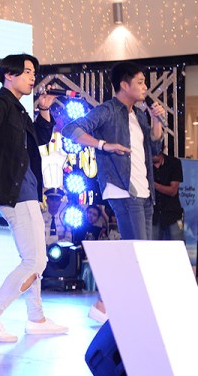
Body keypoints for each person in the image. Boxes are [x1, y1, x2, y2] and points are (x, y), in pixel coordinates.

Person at [0, 54, 69, 343]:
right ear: (8, 75)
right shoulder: (1, 104)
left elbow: (40, 140)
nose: (32, 77)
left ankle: (36, 318)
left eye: (33, 72)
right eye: (26, 72)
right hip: (16, 192)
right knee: (35, 261)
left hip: (27, 190)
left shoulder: (18, 109)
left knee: (34, 258)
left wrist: (44, 110)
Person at [62, 61, 164, 322]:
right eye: (140, 82)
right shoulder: (107, 110)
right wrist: (103, 145)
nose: (145, 87)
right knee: (137, 252)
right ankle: (109, 305)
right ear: (124, 85)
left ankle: (107, 305)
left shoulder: (139, 114)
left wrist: (156, 120)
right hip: (122, 189)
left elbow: (154, 149)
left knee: (140, 253)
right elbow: (71, 130)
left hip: (144, 191)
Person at [152, 151, 184, 242]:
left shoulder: (174, 163)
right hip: (153, 215)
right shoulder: (144, 164)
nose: (153, 156)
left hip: (172, 214)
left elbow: (173, 191)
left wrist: (153, 184)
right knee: (151, 247)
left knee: (177, 247)